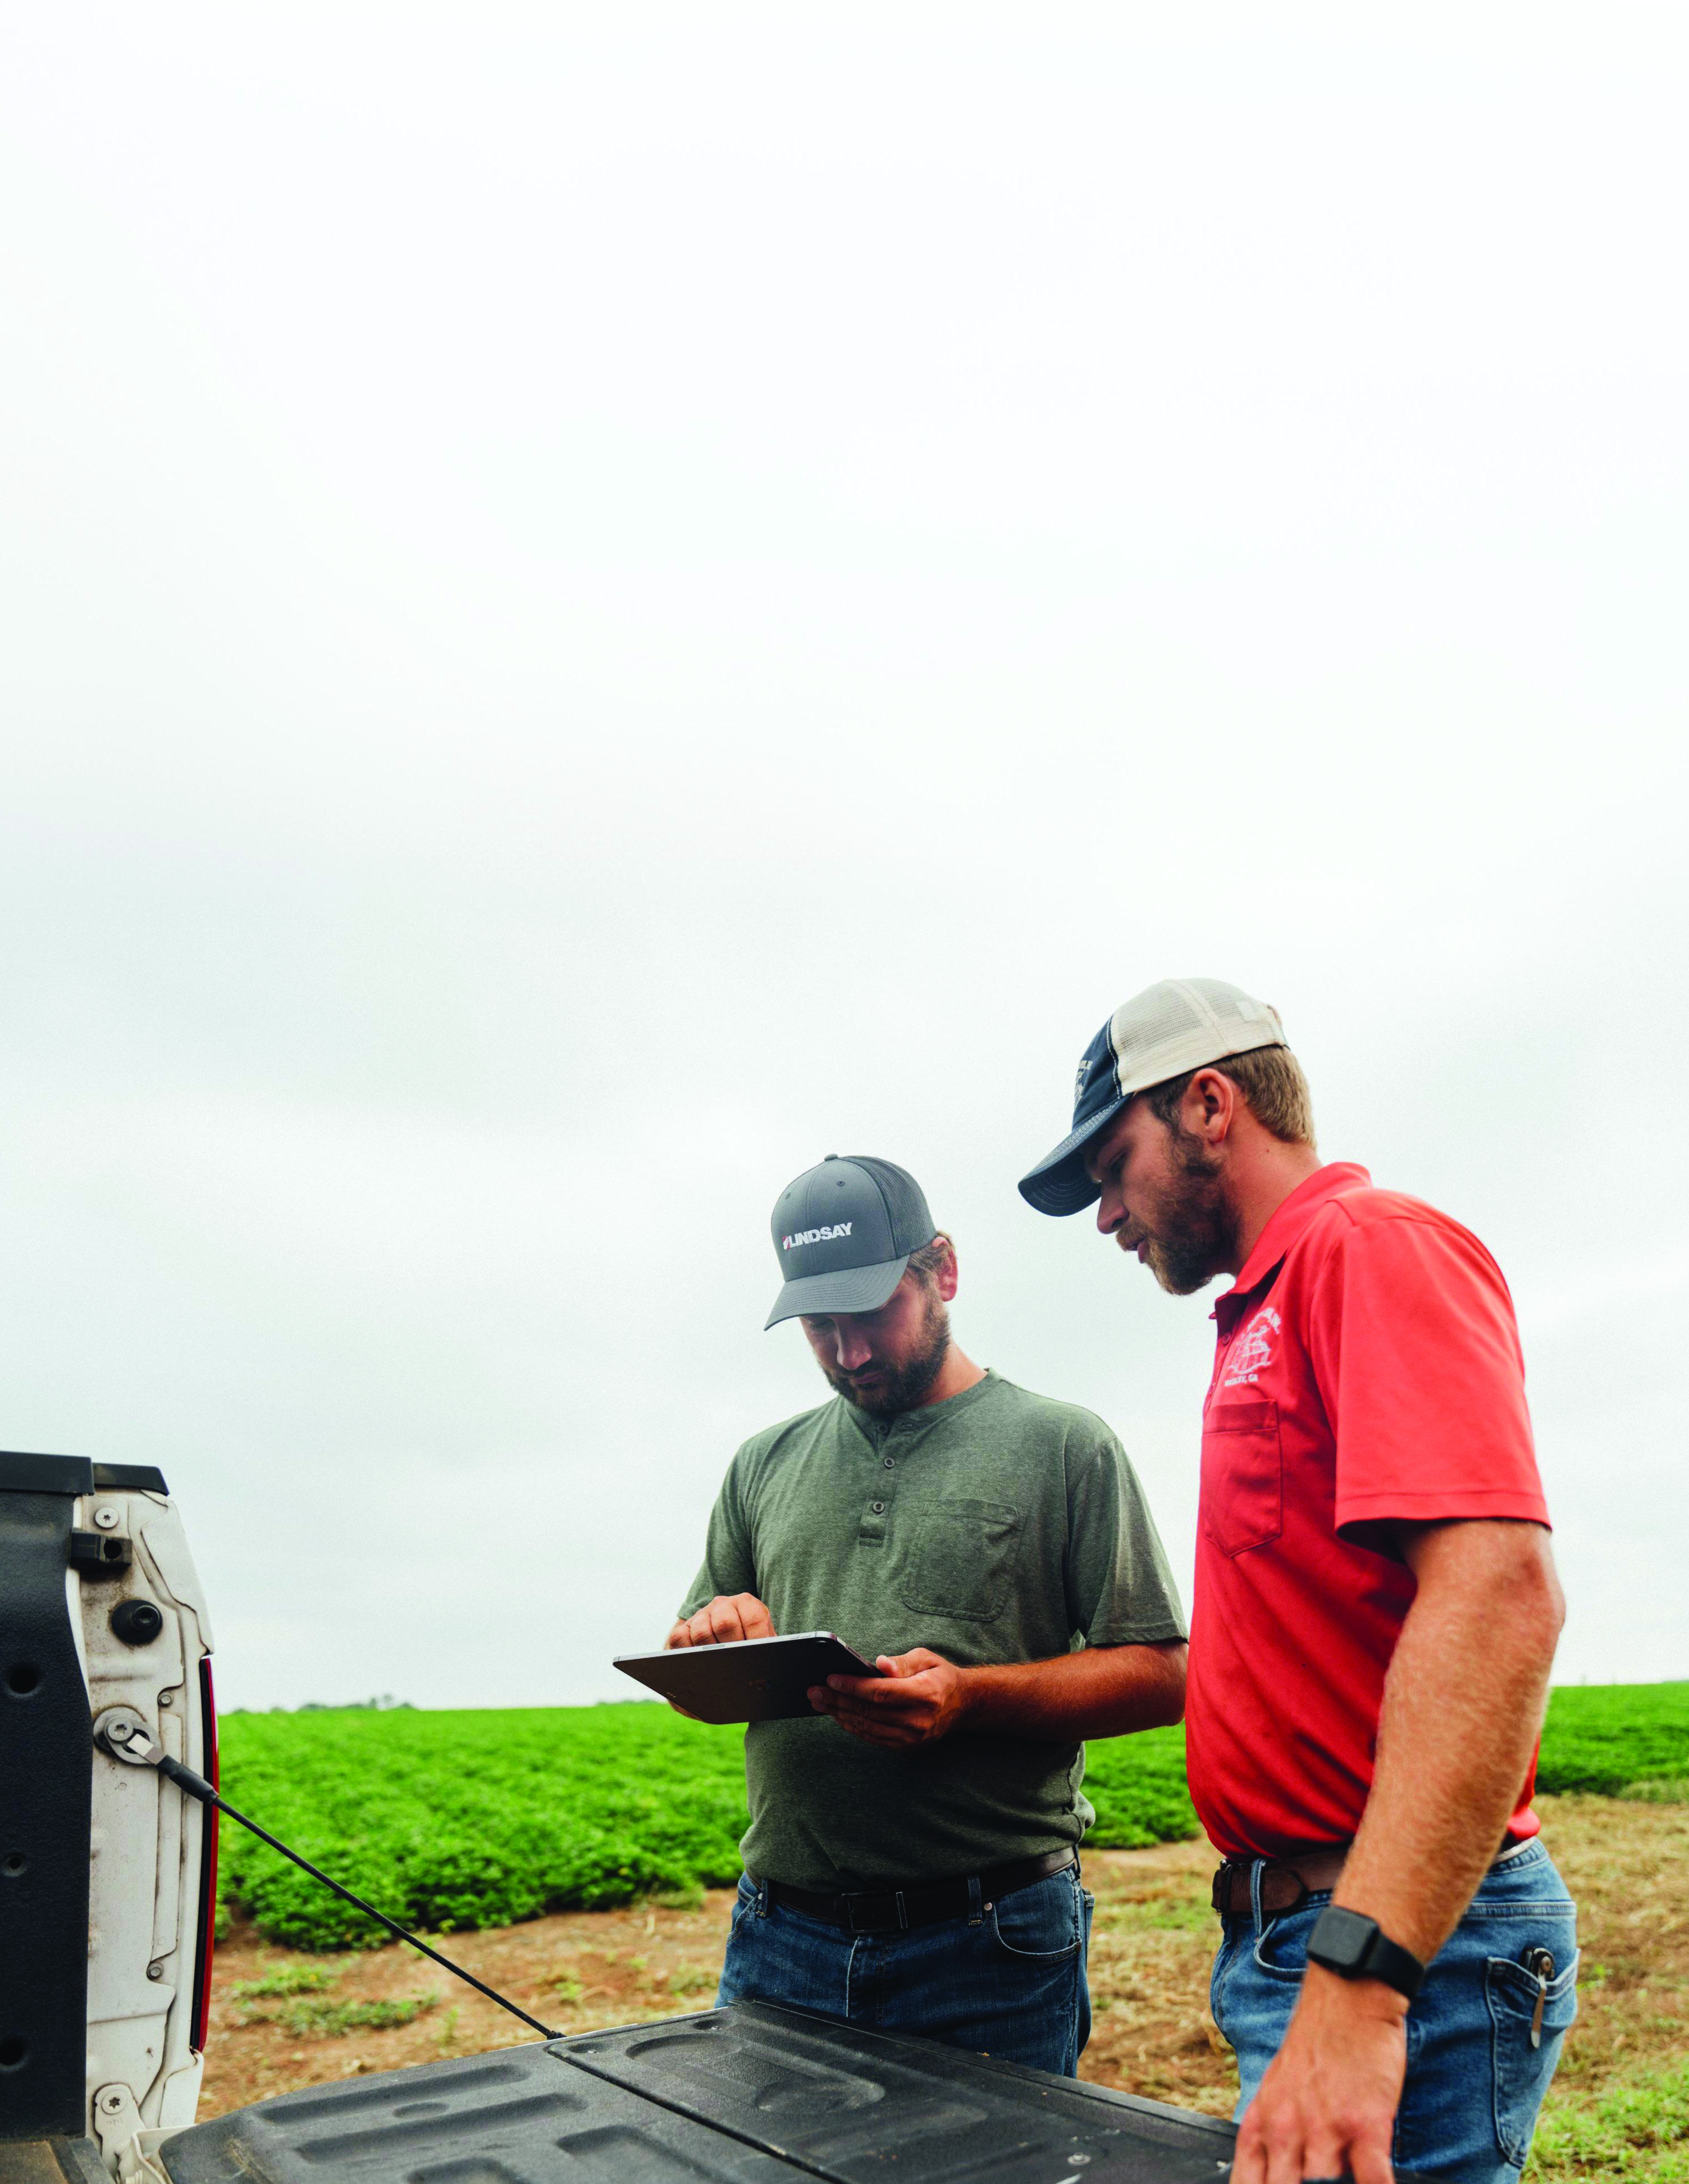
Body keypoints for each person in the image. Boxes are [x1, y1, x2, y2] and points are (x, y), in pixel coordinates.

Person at [1018, 978, 1574, 2183]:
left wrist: (1363, 1974)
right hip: (1306, 1934)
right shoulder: (1267, 1300)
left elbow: (1499, 1597)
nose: (1106, 1214)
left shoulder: (1367, 1248)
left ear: (1208, 1105)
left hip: (1397, 1947)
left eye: (1112, 1168)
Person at [667, 1152, 1188, 2076]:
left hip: (991, 1943)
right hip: (779, 1936)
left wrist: (970, 1698)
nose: (849, 1353)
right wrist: (711, 1641)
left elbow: (1160, 1675)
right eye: (820, 1327)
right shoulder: (763, 1464)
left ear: (940, 1270)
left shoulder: (1065, 1447)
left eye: (870, 1316)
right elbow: (696, 1682)